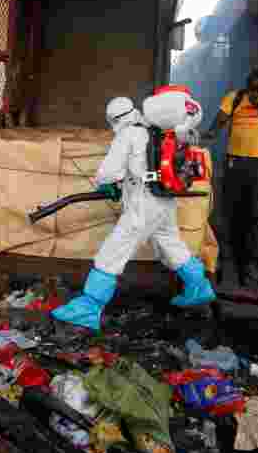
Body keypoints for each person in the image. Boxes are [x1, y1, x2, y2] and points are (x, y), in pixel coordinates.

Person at [51, 96, 216, 332]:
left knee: (113, 251)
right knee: (171, 243)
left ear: (114, 120)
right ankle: (198, 287)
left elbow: (110, 170)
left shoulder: (128, 134)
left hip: (143, 203)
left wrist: (107, 184)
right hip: (165, 200)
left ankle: (88, 307)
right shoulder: (156, 130)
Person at [205, 68, 258, 287]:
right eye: (252, 88)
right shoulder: (234, 97)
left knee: (256, 213)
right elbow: (218, 123)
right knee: (231, 211)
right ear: (247, 85)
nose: (255, 92)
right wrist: (207, 135)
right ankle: (228, 262)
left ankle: (252, 265)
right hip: (234, 162)